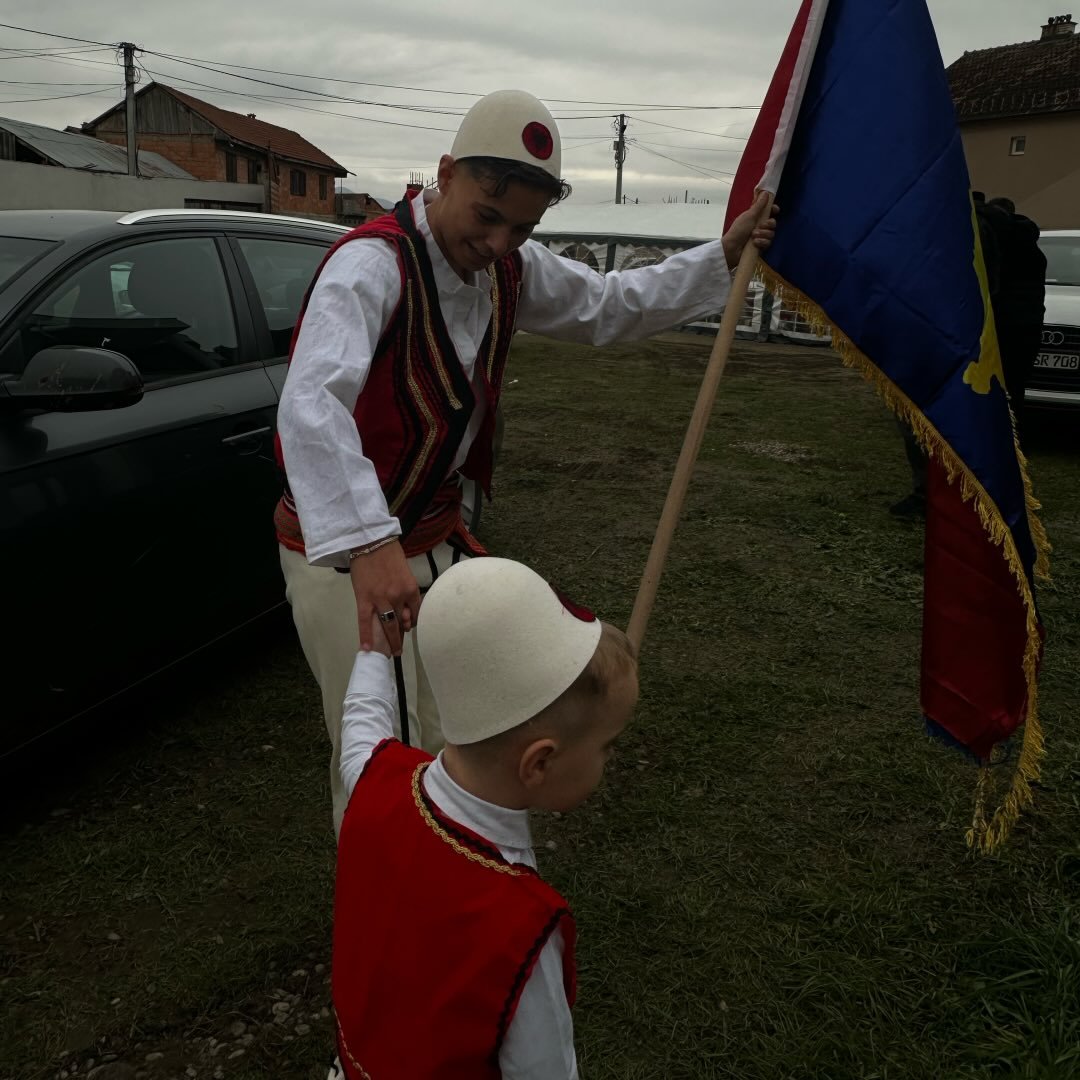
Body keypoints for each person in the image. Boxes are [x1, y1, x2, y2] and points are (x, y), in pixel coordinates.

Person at [276, 88, 776, 833]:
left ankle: (455, 868)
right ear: (446, 174)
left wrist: (723, 257)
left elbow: (607, 304)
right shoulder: (370, 266)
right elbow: (311, 405)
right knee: (380, 751)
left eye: (522, 228)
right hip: (344, 555)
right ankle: (388, 890)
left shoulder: (511, 266)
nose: (499, 243)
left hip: (435, 533)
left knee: (457, 725)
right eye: (487, 216)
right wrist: (372, 544)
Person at [328, 557, 637, 1078]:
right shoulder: (523, 932)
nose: (610, 757)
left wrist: (375, 650)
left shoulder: (374, 780)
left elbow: (362, 721)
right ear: (538, 763)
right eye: (607, 746)